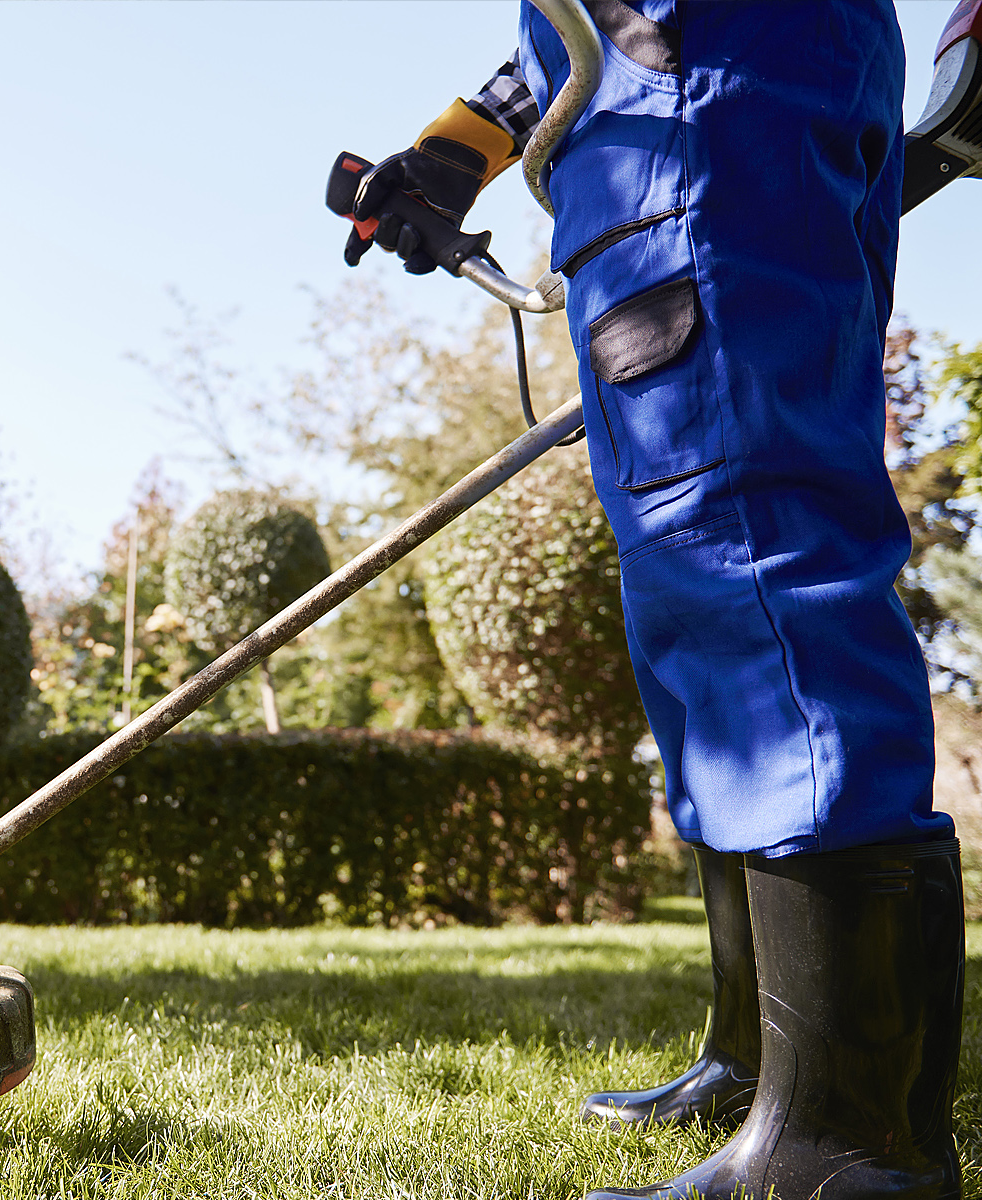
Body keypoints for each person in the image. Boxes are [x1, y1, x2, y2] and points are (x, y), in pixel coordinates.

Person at [342, 4, 964, 1199]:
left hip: (705, 73)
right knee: (692, 595)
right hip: (664, 83)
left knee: (744, 546)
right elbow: (567, 35)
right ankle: (764, 1060)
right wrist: (455, 146)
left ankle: (845, 1142)